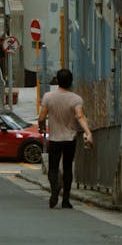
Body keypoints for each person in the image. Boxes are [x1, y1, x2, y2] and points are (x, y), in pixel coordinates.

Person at [38, 69, 93, 209]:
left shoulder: (48, 97)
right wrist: (88, 132)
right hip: (70, 139)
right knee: (68, 168)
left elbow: (42, 117)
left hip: (55, 138)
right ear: (71, 81)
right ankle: (66, 200)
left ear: (57, 80)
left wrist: (42, 127)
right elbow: (80, 116)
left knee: (53, 168)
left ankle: (55, 189)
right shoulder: (76, 99)